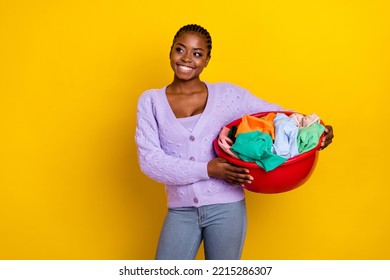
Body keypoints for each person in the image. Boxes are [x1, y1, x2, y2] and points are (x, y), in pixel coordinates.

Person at [135, 24, 334, 260]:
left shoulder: (228, 96)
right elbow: (150, 161)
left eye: (197, 53)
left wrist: (316, 130)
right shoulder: (151, 101)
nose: (187, 58)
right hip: (181, 210)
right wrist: (208, 169)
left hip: (227, 209)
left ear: (207, 59)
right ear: (170, 52)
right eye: (180, 50)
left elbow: (279, 117)